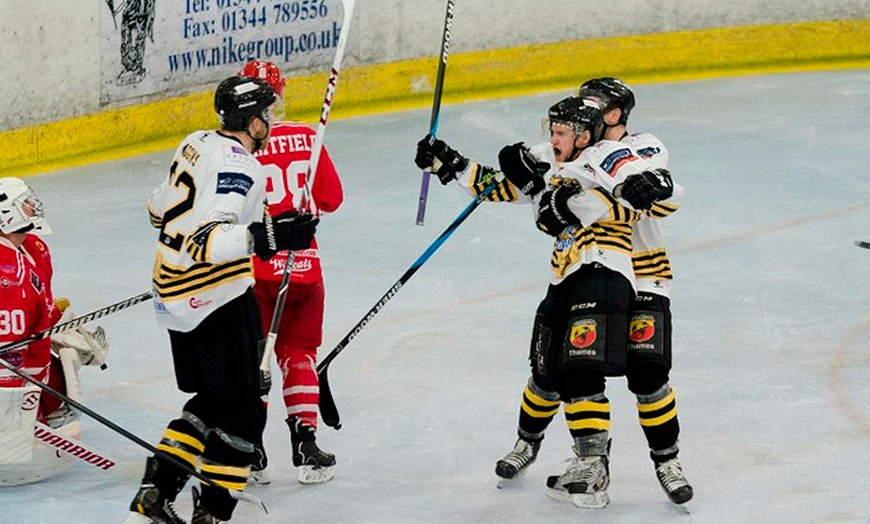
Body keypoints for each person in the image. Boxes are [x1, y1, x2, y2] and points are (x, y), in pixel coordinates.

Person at [414, 95, 680, 509]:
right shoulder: (563, 156)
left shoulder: (622, 154)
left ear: (603, 120)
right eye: (552, 131)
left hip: (629, 272)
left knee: (635, 374)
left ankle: (648, 462)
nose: (553, 137)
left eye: (562, 130)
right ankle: (527, 443)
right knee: (545, 372)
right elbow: (510, 185)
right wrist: (451, 163)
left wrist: (572, 202)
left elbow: (659, 196)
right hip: (566, 273)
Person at [125, 75, 318, 524]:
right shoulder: (243, 166)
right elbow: (206, 242)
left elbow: (158, 207)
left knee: (211, 402)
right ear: (252, 122)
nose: (271, 121)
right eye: (266, 115)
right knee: (246, 413)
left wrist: (267, 226)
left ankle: (157, 490)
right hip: (215, 300)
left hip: (172, 297)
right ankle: (212, 513)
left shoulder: (195, 142)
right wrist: (273, 234)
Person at [577, 77, 692, 505]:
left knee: (649, 375)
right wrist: (451, 166)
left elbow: (655, 186)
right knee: (581, 368)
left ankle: (667, 461)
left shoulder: (642, 145)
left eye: (592, 104)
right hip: (596, 274)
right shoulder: (574, 148)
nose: (581, 109)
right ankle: (592, 463)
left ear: (614, 114)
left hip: (645, 273)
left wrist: (659, 187)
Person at [239, 59, 343, 486]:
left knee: (255, 360)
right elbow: (332, 199)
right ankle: (306, 445)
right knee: (299, 356)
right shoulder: (307, 135)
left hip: (254, 270)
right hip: (305, 270)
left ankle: (252, 450)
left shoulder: (236, 147)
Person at [0, 177, 109, 486]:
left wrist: (53, 316)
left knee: (66, 349)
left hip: (20, 362)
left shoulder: (33, 249)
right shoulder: (10, 275)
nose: (32, 208)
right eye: (24, 204)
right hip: (10, 382)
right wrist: (24, 414)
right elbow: (15, 357)